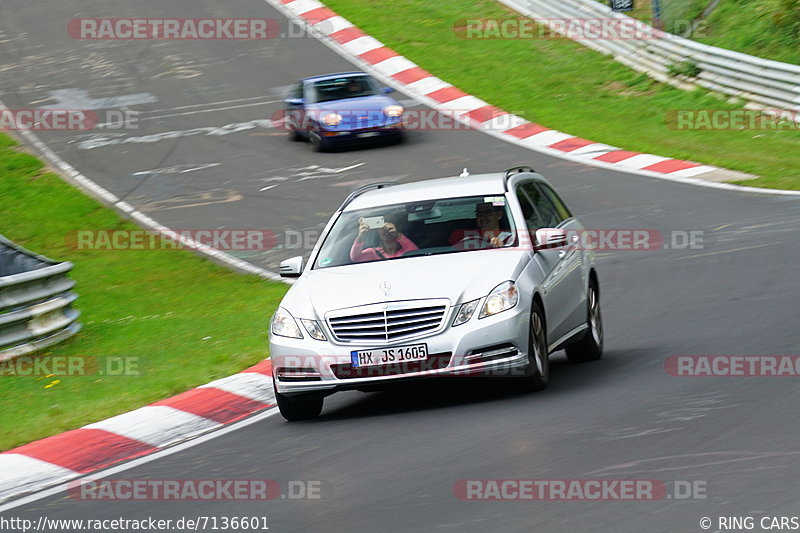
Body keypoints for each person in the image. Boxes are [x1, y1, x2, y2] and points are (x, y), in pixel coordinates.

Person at [350, 214, 418, 263]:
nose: (386, 230)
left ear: (396, 229)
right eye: (381, 227)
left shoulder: (407, 252)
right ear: (378, 232)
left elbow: (416, 253)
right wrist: (361, 236)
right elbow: (355, 258)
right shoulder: (373, 252)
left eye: (390, 227)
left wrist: (398, 235)